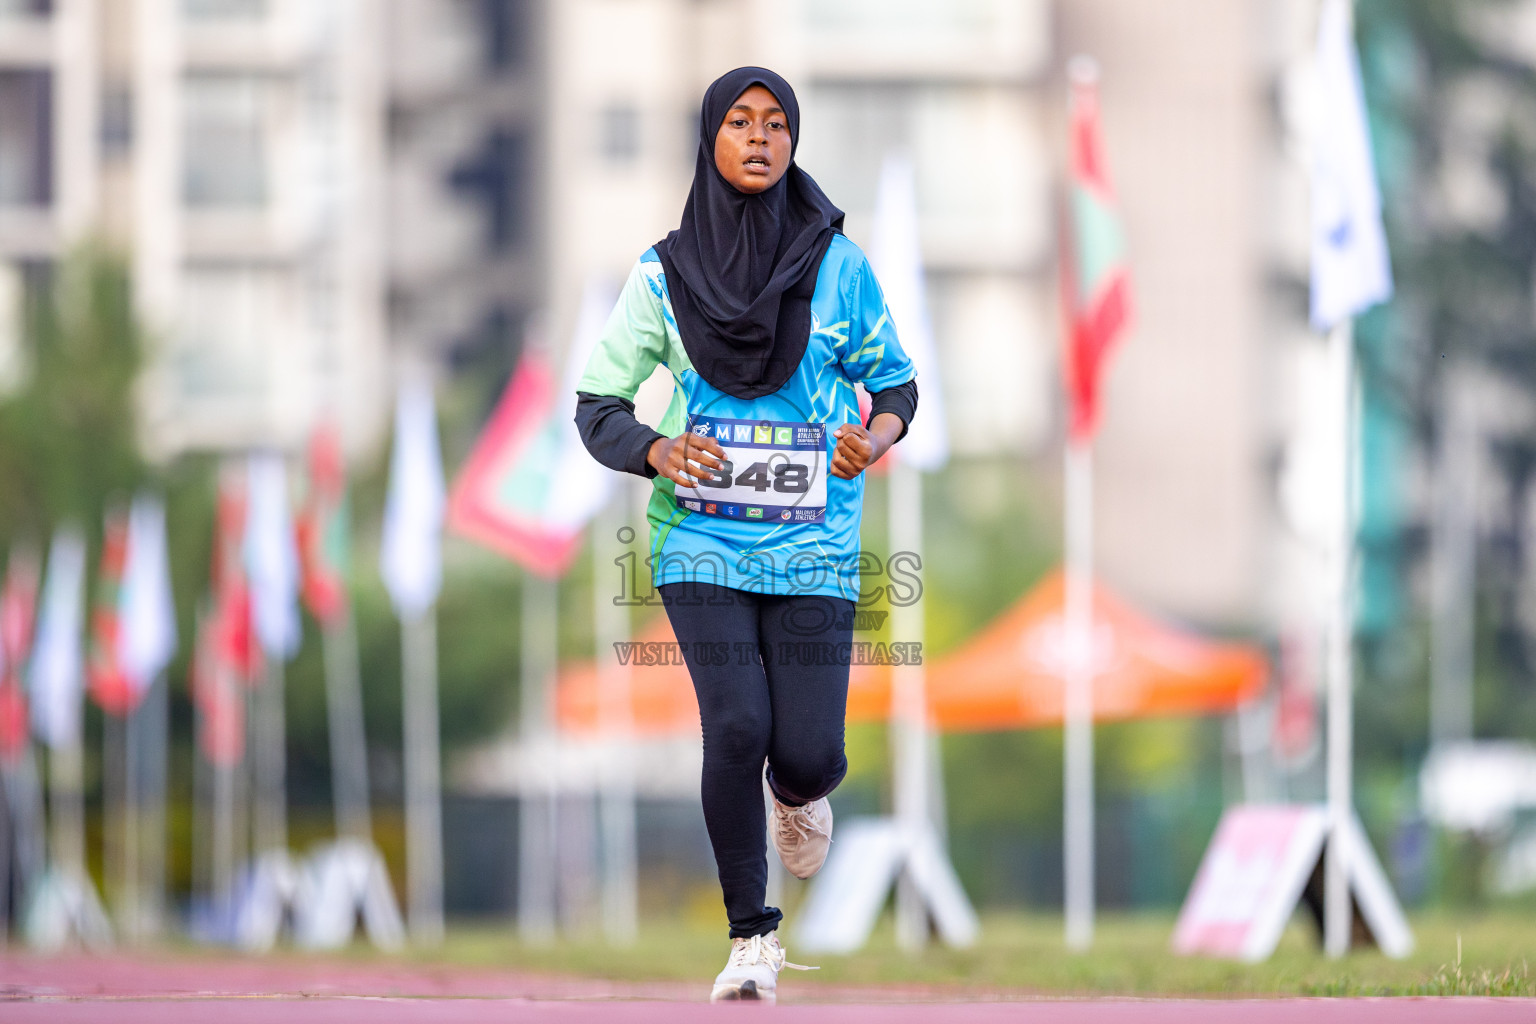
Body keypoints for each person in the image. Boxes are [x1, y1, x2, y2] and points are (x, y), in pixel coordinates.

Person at [575, 66, 917, 1004]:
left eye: (776, 125)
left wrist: (873, 439)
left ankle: (800, 795)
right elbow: (596, 405)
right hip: (701, 544)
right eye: (740, 123)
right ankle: (751, 938)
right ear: (710, 141)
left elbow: (897, 387)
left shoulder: (839, 267)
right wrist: (655, 451)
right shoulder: (662, 275)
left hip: (814, 547)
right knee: (735, 725)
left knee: (806, 754)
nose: (760, 139)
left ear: (794, 141)